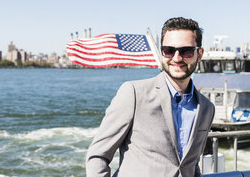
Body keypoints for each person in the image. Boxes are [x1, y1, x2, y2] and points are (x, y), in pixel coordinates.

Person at [86, 17, 215, 177]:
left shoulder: (207, 108)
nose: (176, 58)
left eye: (186, 51)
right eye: (168, 50)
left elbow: (192, 164)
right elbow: (97, 156)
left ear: (199, 54)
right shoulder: (133, 93)